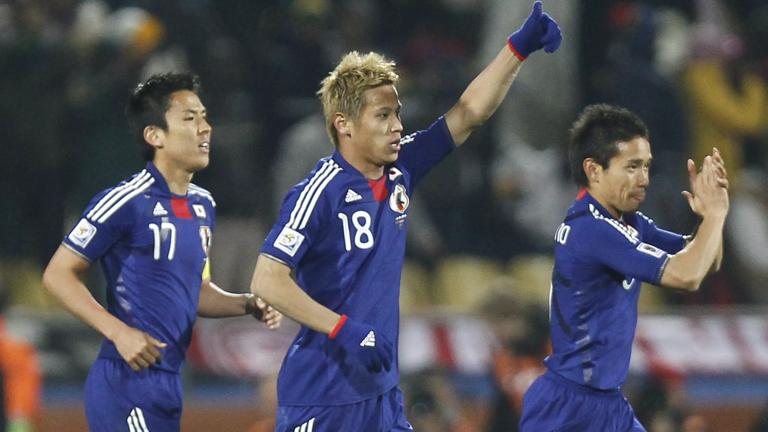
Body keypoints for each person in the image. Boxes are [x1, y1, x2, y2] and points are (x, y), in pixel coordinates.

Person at [249, 2, 562, 430]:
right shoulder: (319, 192)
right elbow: (266, 280)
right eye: (383, 115)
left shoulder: (402, 170)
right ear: (344, 124)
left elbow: (468, 113)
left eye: (396, 112)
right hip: (324, 394)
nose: (397, 125)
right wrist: (343, 329)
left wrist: (517, 49)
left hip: (380, 392)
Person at [42, 72, 282, 431]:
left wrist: (247, 303)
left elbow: (197, 292)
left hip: (168, 381)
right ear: (155, 135)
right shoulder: (125, 201)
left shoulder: (203, 205)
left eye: (204, 117)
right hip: (127, 380)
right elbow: (57, 274)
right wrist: (119, 332)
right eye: (189, 118)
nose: (205, 128)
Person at [519, 104, 729, 432]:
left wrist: (712, 215)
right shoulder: (591, 230)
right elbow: (686, 275)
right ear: (594, 170)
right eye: (632, 167)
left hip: (609, 405)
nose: (644, 179)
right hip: (568, 409)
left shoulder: (629, 223)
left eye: (646, 166)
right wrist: (714, 216)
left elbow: (706, 261)